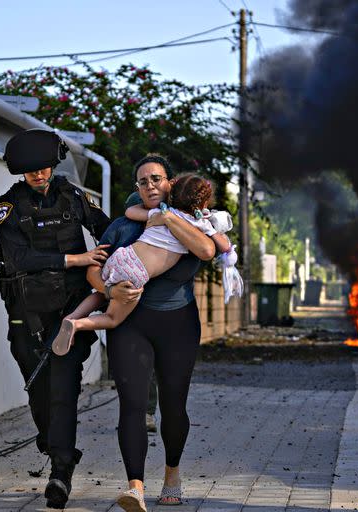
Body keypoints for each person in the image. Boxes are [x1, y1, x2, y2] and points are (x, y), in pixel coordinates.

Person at [85, 154, 216, 511]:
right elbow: (93, 271)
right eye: (143, 182)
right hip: (131, 325)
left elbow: (209, 250)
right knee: (132, 405)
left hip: (178, 324)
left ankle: (172, 473)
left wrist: (170, 218)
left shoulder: (192, 221)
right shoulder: (122, 226)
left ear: (170, 182)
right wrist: (110, 291)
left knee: (174, 408)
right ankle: (135, 487)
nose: (150, 186)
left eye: (156, 179)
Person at [0, 129, 111, 509]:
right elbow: (18, 260)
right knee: (39, 390)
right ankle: (53, 442)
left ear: (53, 164)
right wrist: (76, 260)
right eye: (30, 172)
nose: (38, 176)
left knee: (63, 390)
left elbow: (108, 230)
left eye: (43, 168)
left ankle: (61, 471)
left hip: (70, 313)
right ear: (20, 173)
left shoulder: (73, 197)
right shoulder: (6, 208)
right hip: (27, 315)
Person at [50, 173, 231, 355]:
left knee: (102, 293)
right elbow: (223, 246)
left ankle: (72, 316)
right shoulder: (198, 224)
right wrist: (211, 224)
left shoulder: (162, 212)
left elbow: (130, 212)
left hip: (123, 256)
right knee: (113, 318)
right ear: (204, 204)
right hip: (137, 273)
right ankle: (77, 324)